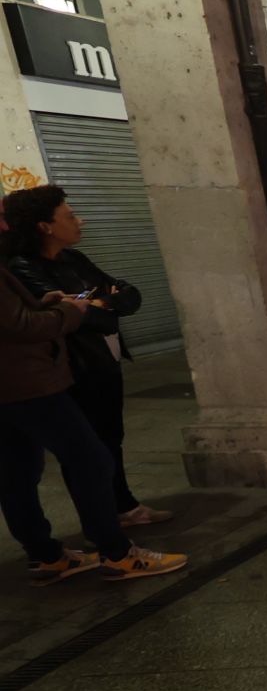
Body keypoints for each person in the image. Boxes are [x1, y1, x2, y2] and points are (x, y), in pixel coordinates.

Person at [1, 264, 187, 583]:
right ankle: (116, 554)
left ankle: (45, 556)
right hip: (26, 383)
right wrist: (70, 310)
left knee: (16, 470)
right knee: (91, 460)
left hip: (11, 387)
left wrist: (42, 303)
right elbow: (20, 327)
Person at [5, 185, 171, 526]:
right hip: (72, 370)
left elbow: (128, 295)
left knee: (109, 439)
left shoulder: (73, 259)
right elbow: (65, 320)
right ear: (45, 226)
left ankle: (121, 510)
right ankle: (106, 532)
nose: (81, 220)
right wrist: (93, 307)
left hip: (102, 361)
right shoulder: (22, 269)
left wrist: (100, 303)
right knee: (83, 454)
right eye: (69, 215)